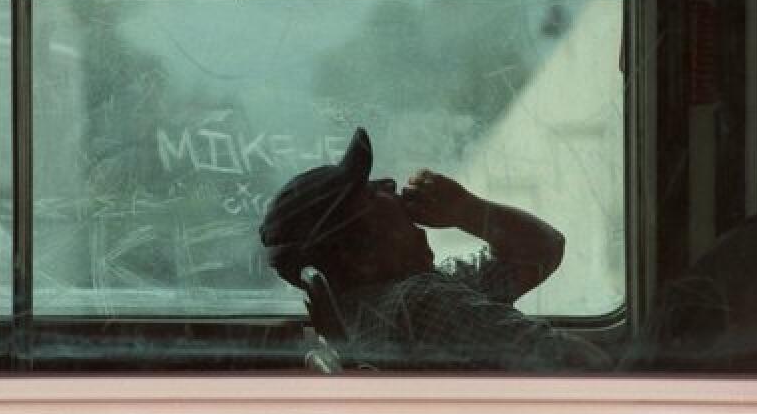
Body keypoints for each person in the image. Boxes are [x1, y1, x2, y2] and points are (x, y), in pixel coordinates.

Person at [259, 127, 610, 371]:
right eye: (370, 192)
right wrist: (469, 212)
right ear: (358, 252)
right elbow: (585, 369)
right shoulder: (420, 306)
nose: (389, 184)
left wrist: (468, 211)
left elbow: (542, 250)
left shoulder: (380, 305)